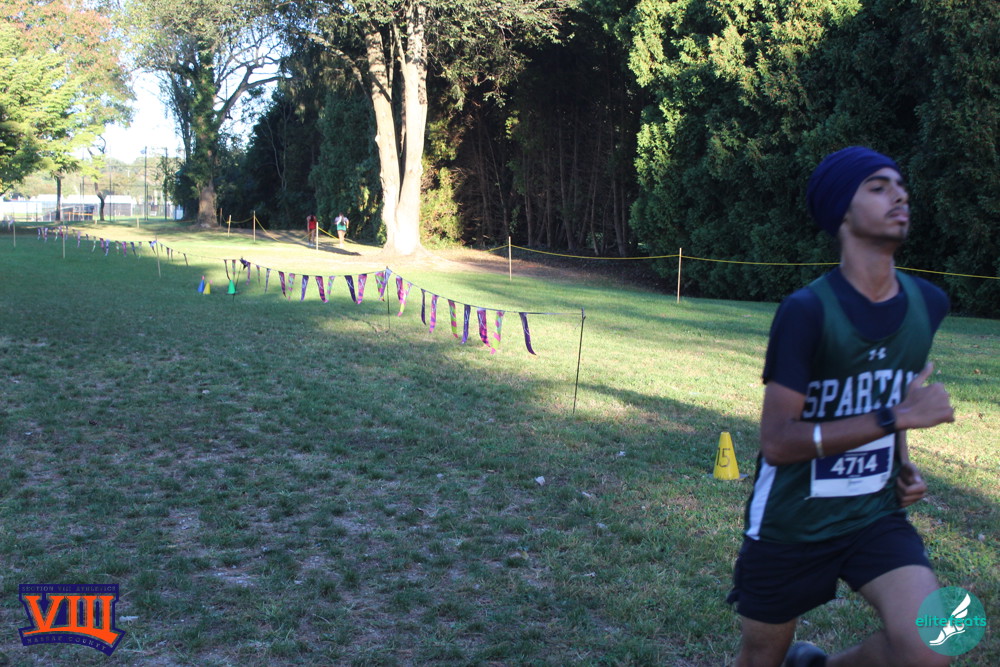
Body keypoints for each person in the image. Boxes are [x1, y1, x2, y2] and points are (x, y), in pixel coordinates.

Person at [728, 146, 955, 667]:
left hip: (875, 514)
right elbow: (777, 442)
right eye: (877, 187)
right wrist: (897, 418)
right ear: (842, 212)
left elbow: (890, 394)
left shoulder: (928, 303)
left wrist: (902, 462)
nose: (898, 195)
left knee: (942, 639)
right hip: (791, 522)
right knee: (761, 657)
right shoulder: (806, 311)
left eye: (900, 185)